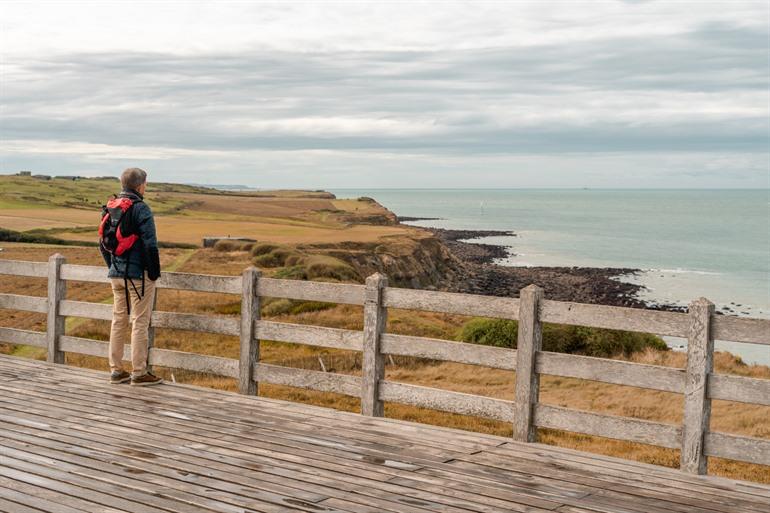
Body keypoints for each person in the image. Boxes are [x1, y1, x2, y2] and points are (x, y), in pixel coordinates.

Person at [100, 167, 163, 386]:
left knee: (119, 320)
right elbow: (150, 244)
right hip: (138, 276)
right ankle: (139, 372)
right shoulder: (141, 209)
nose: (146, 187)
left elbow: (103, 243)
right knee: (140, 321)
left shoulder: (110, 207)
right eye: (145, 183)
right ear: (140, 185)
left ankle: (117, 371)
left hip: (116, 274)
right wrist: (153, 273)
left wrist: (113, 267)